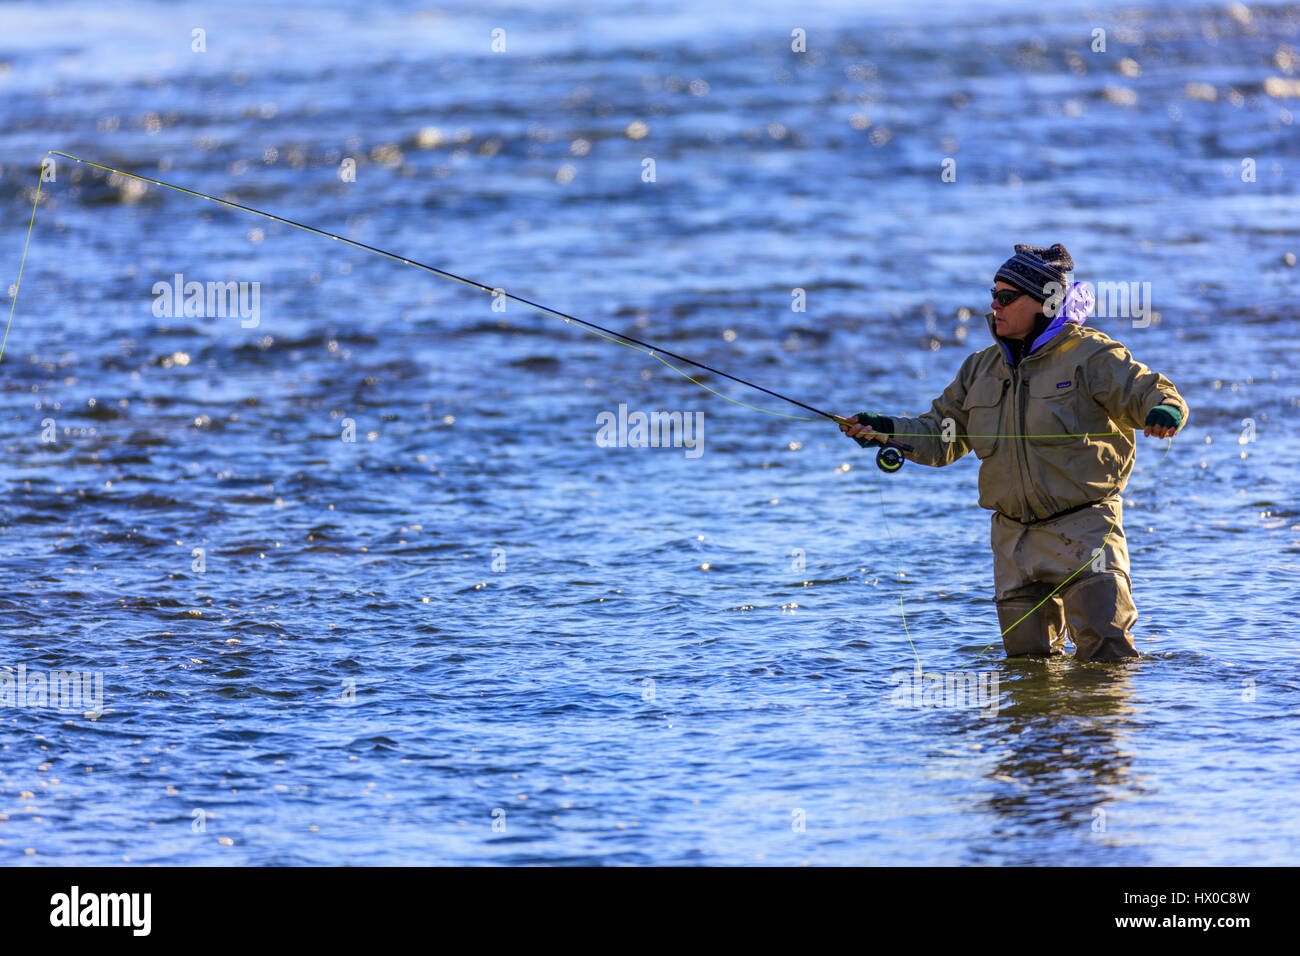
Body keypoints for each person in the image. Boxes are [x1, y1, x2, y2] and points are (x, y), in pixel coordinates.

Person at [838, 244, 1188, 661]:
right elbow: (942, 436)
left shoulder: (1092, 355)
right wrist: (886, 432)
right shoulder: (979, 369)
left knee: (1106, 661)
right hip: (1012, 546)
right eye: (993, 294)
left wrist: (1164, 411)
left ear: (1045, 303)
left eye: (1006, 297)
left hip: (1085, 534)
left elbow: (1150, 391)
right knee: (1027, 672)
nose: (994, 305)